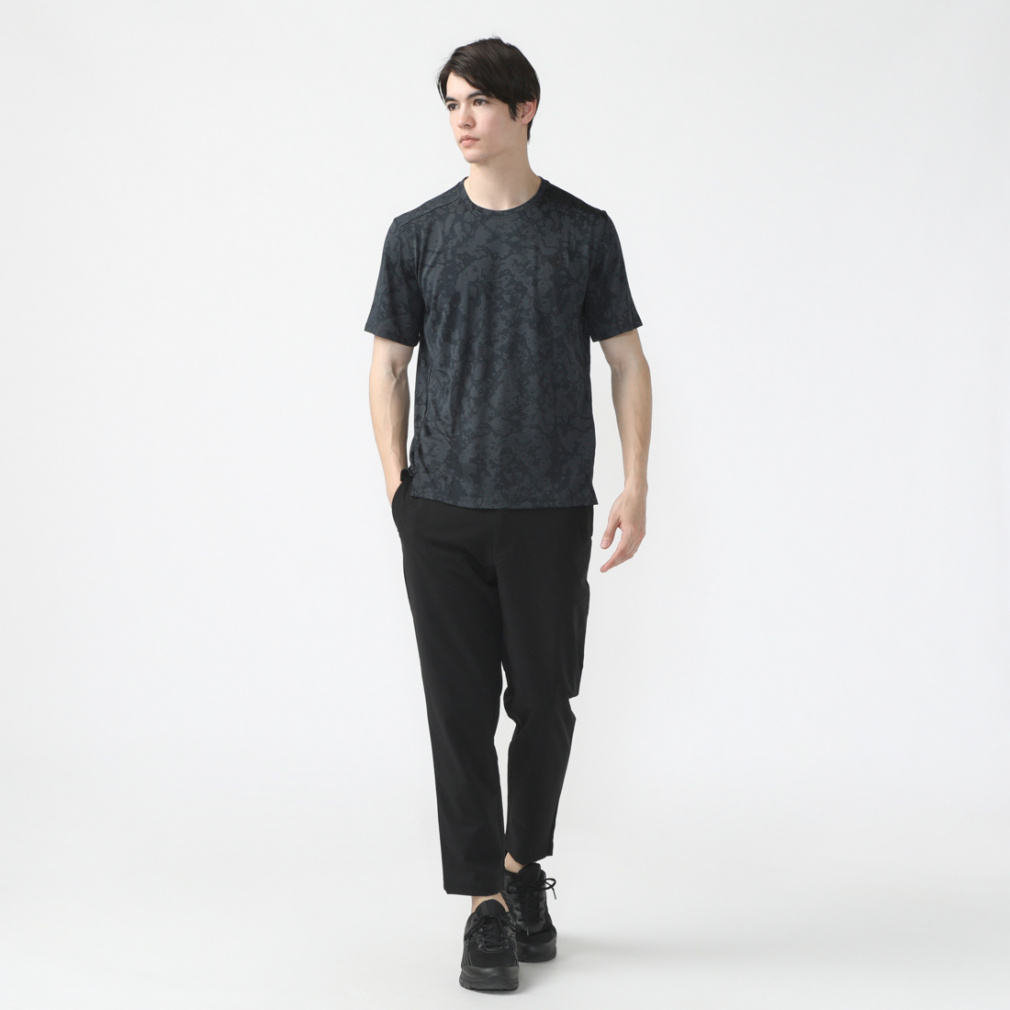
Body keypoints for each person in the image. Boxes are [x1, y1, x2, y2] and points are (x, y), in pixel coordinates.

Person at [364, 36, 652, 993]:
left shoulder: (581, 231)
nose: (463, 118)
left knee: (544, 703)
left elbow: (625, 359)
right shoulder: (417, 233)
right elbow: (388, 363)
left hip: (549, 510)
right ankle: (486, 906)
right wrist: (399, 490)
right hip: (441, 512)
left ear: (526, 109)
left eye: (480, 101)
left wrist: (636, 483)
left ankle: (524, 866)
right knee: (457, 715)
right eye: (452, 102)